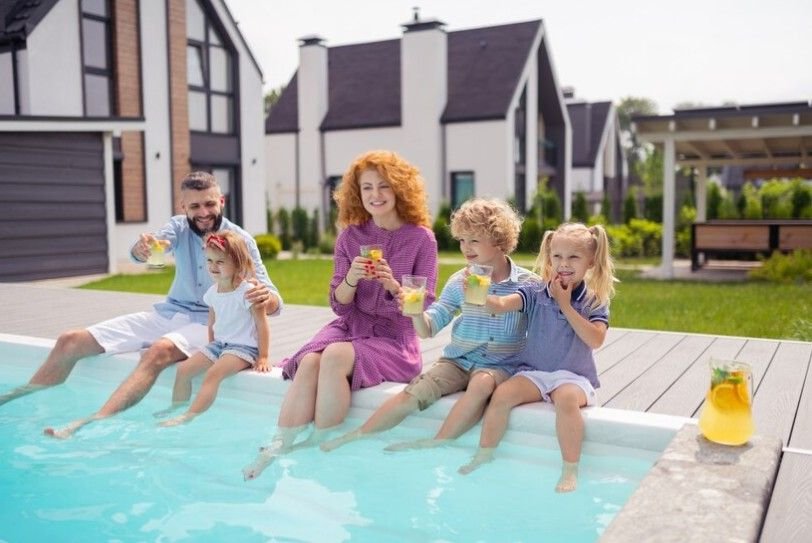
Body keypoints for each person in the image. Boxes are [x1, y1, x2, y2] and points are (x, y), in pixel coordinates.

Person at [0, 171, 283, 437]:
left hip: (207, 322)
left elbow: (274, 300)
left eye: (210, 204)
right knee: (70, 340)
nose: (204, 212)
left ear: (221, 201)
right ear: (183, 205)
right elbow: (155, 245)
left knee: (158, 350)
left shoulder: (240, 241)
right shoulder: (178, 226)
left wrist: (264, 298)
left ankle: (89, 422)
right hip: (170, 313)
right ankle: (12, 401)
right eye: (194, 206)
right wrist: (140, 251)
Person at [242, 150, 438, 481]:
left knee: (333, 356)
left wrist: (391, 283)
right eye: (367, 188)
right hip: (349, 326)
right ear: (357, 194)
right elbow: (339, 304)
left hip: (394, 339)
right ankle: (278, 445)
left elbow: (421, 308)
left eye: (384, 186)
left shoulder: (422, 239)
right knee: (310, 362)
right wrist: (353, 278)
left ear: (400, 189)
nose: (375, 195)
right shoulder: (351, 236)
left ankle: (321, 444)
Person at [321, 198, 538, 453]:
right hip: (458, 361)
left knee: (481, 384)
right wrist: (413, 311)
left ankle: (435, 443)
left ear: (500, 241)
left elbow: (544, 331)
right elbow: (428, 329)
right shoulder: (459, 282)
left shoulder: (529, 284)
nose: (465, 248)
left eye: (474, 240)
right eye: (461, 240)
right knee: (414, 393)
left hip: (501, 365)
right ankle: (357, 435)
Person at [458, 222, 616, 493]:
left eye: (573, 257)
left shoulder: (594, 299)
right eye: (557, 256)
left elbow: (596, 339)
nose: (563, 263)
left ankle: (569, 469)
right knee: (502, 395)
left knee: (566, 400)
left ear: (590, 262)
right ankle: (484, 454)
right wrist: (480, 293)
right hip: (535, 372)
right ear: (549, 256)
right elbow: (500, 306)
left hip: (573, 377)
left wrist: (565, 305)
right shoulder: (535, 291)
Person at [156, 231, 270, 427]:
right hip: (219, 345)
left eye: (220, 262)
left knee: (213, 375)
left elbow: (262, 324)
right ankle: (176, 408)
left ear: (237, 263)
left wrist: (263, 356)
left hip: (243, 348)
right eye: (209, 261)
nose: (213, 267)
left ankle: (188, 417)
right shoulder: (212, 292)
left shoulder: (248, 292)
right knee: (183, 370)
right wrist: (210, 348)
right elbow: (212, 321)